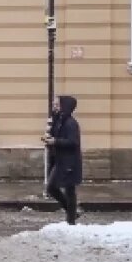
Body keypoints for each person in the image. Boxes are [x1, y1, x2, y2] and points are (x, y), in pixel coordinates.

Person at [44, 95, 82, 225]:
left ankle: (71, 220)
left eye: (57, 105)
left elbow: (73, 142)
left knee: (69, 190)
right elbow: (54, 135)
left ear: (64, 106)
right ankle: (72, 212)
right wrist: (49, 138)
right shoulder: (59, 120)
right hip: (60, 160)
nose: (54, 107)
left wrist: (55, 141)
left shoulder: (71, 123)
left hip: (70, 161)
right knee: (51, 188)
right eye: (54, 104)